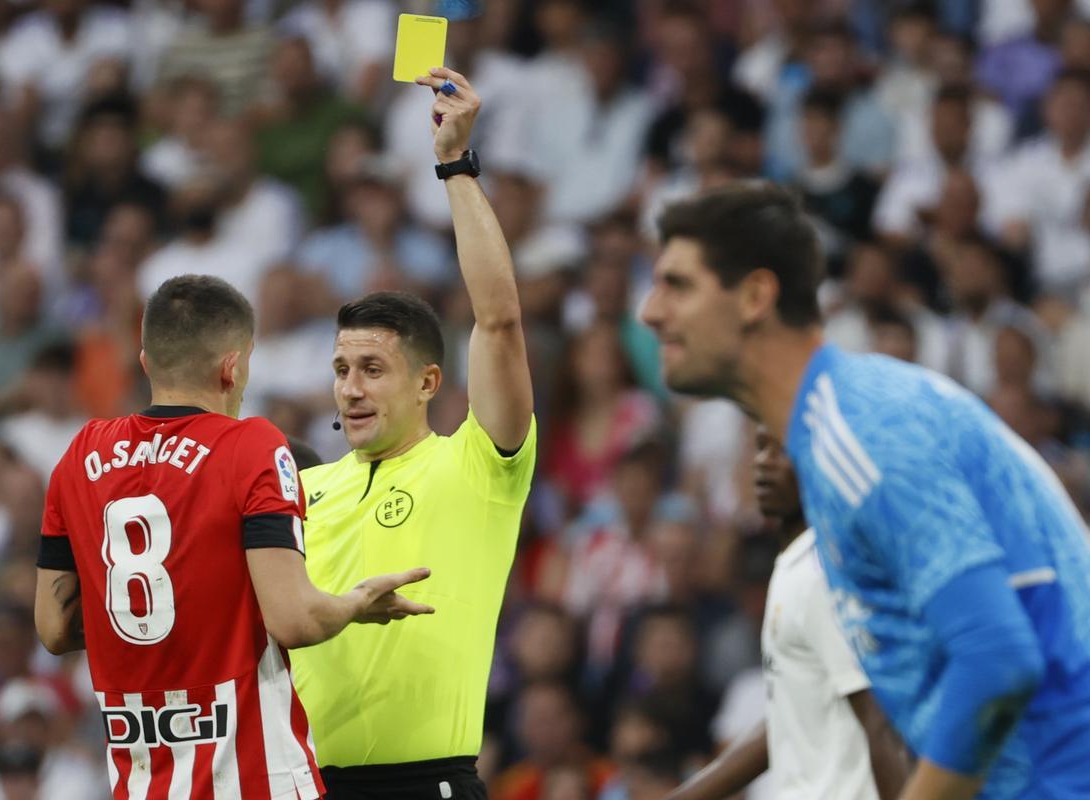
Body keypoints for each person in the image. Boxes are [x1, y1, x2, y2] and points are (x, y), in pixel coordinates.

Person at [640, 182, 1090, 800]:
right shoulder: (842, 425)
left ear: (754, 296)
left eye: (677, 285)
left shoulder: (860, 432)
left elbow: (997, 660)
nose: (650, 312)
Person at [32, 274, 435, 798]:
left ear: (147, 361)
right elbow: (293, 619)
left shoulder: (79, 456)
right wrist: (358, 602)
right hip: (255, 779)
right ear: (233, 366)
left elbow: (53, 628)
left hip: (141, 781)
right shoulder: (250, 445)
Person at [290, 68, 536, 799]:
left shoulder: (477, 466)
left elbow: (498, 321)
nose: (351, 387)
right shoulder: (301, 489)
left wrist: (454, 165)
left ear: (429, 383)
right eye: (340, 369)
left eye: (372, 368)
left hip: (425, 785)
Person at [665, 427, 908, 800]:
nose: (764, 464)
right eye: (761, 448)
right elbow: (790, 716)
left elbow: (878, 722)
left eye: (784, 451)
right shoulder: (794, 566)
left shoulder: (822, 575)